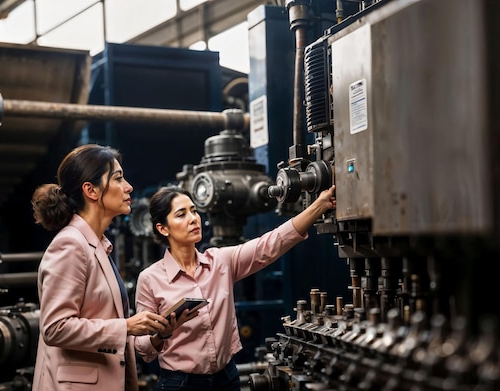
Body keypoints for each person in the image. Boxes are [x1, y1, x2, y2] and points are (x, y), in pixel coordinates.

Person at [134, 184, 337, 391]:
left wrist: (318, 206)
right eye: (181, 214)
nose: (193, 219)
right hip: (180, 384)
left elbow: (269, 245)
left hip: (227, 379)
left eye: (194, 211)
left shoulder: (220, 262)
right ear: (163, 228)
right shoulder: (150, 279)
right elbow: (142, 348)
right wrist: (161, 335)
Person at [30, 144, 170, 391]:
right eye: (118, 178)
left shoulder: (97, 245)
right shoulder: (70, 245)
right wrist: (126, 326)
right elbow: (55, 328)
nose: (128, 187)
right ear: (91, 190)